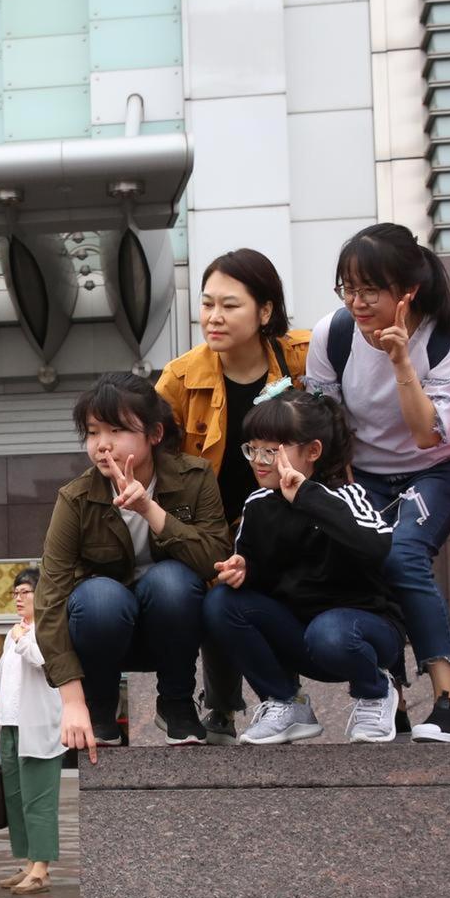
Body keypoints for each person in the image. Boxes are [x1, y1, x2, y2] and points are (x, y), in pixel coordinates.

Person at [307, 223, 450, 743]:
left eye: (371, 291)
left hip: (435, 469)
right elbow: (325, 426)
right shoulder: (330, 335)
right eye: (348, 289)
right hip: (366, 474)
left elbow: (428, 434)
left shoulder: (449, 338)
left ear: (408, 292)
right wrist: (344, 485)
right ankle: (394, 704)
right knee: (368, 559)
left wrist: (401, 360)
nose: (357, 303)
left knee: (403, 554)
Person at [156, 248, 310, 743]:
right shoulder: (180, 378)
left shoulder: (303, 357)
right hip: (214, 520)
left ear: (265, 311)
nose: (214, 318)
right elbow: (161, 455)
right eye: (206, 304)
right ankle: (222, 707)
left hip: (291, 511)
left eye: (230, 305)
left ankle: (364, 698)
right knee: (218, 587)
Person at [35, 372, 232, 758]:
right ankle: (102, 704)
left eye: (117, 429)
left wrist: (149, 509)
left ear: (154, 434)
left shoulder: (194, 477)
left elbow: (214, 559)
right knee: (99, 597)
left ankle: (176, 700)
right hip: (104, 629)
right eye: (92, 432)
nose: (102, 444)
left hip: (175, 628)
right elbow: (50, 598)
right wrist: (73, 701)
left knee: (172, 581)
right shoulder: (75, 499)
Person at [204, 385, 406, 744]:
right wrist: (245, 572)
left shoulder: (346, 495)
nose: (259, 460)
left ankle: (375, 691)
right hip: (303, 636)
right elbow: (266, 580)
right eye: (252, 448)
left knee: (329, 632)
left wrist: (307, 497)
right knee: (221, 603)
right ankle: (285, 702)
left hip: (364, 634)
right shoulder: (258, 505)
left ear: (313, 451)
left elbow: (376, 546)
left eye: (272, 450)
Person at [0, 569, 66, 894]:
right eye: (16, 592)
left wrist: (24, 640)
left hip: (37, 724)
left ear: (42, 594)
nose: (19, 598)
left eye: (25, 591)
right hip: (10, 724)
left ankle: (42, 868)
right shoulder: (13, 634)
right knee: (16, 798)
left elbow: (45, 664)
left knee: (39, 798)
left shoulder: (50, 627)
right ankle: (27, 862)